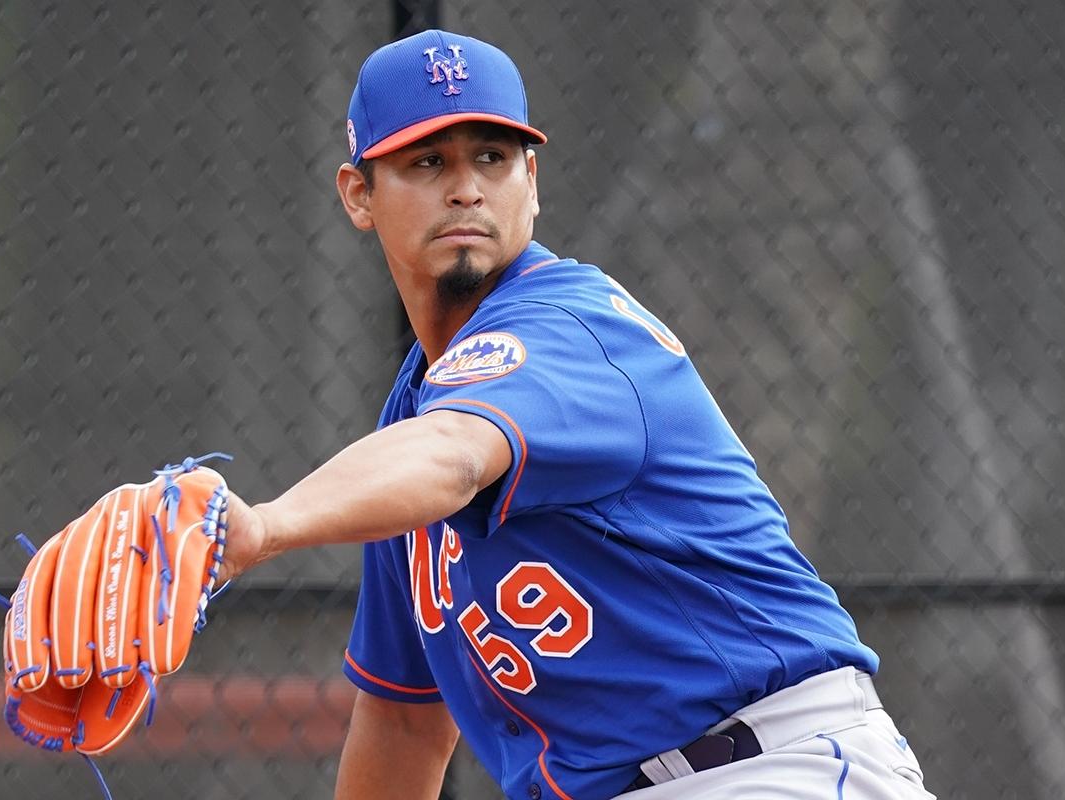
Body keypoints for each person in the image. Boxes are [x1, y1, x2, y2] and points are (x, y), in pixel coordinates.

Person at [218, 29, 934, 800]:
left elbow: (456, 455)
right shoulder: (408, 429)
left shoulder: (568, 328)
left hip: (770, 767)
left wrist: (265, 527)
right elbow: (403, 726)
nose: (466, 188)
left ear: (532, 180)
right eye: (428, 162)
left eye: (492, 158)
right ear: (360, 195)